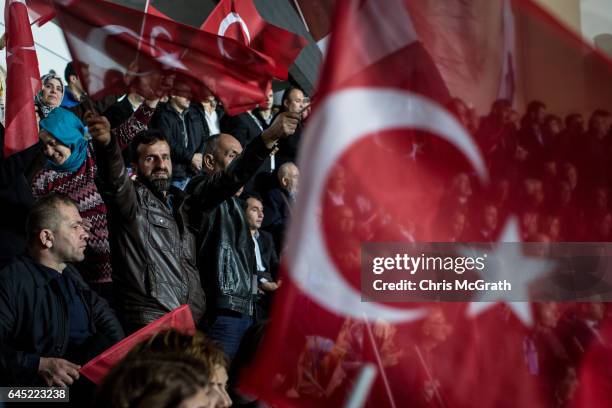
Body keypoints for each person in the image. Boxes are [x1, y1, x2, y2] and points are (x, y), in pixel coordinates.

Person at [186, 112, 300, 360]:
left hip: (246, 308)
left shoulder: (237, 205)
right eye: (231, 157)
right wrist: (268, 137)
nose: (239, 166)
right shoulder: (199, 192)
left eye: (240, 157)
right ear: (209, 163)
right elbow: (231, 177)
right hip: (222, 312)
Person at [31, 102, 156, 301]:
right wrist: (70, 224)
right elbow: (42, 223)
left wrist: (151, 102)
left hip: (125, 265)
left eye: (53, 142)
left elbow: (132, 127)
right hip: (82, 275)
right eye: (44, 145)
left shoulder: (95, 153)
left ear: (68, 135)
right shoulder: (44, 179)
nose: (48, 150)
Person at [0, 193, 124, 387]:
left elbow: (102, 312)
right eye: (75, 226)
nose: (85, 233)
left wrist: (122, 356)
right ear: (47, 237)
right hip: (31, 395)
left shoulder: (70, 274)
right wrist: (39, 364)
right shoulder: (11, 280)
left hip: (85, 384)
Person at [91, 126, 206, 332]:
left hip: (188, 319)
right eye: (150, 158)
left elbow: (226, 182)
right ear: (134, 167)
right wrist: (108, 145)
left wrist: (267, 140)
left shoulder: (182, 205)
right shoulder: (129, 201)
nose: (161, 165)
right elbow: (114, 179)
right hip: (150, 321)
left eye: (166, 157)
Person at [151, 95, 208, 190]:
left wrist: (199, 156)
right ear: (173, 94)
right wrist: (191, 158)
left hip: (196, 173)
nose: (189, 96)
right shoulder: (161, 114)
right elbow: (167, 143)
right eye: (184, 93)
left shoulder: (195, 111)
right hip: (176, 176)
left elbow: (205, 136)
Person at [243, 195, 280, 322]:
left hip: (270, 285)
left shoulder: (267, 237)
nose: (261, 215)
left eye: (262, 210)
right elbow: (243, 268)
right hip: (252, 284)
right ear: (242, 213)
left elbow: (275, 264)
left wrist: (281, 280)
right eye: (254, 210)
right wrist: (261, 284)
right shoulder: (238, 238)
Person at [263, 162, 299, 253]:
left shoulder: (302, 197)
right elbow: (274, 223)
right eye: (296, 177)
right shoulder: (275, 196)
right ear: (284, 181)